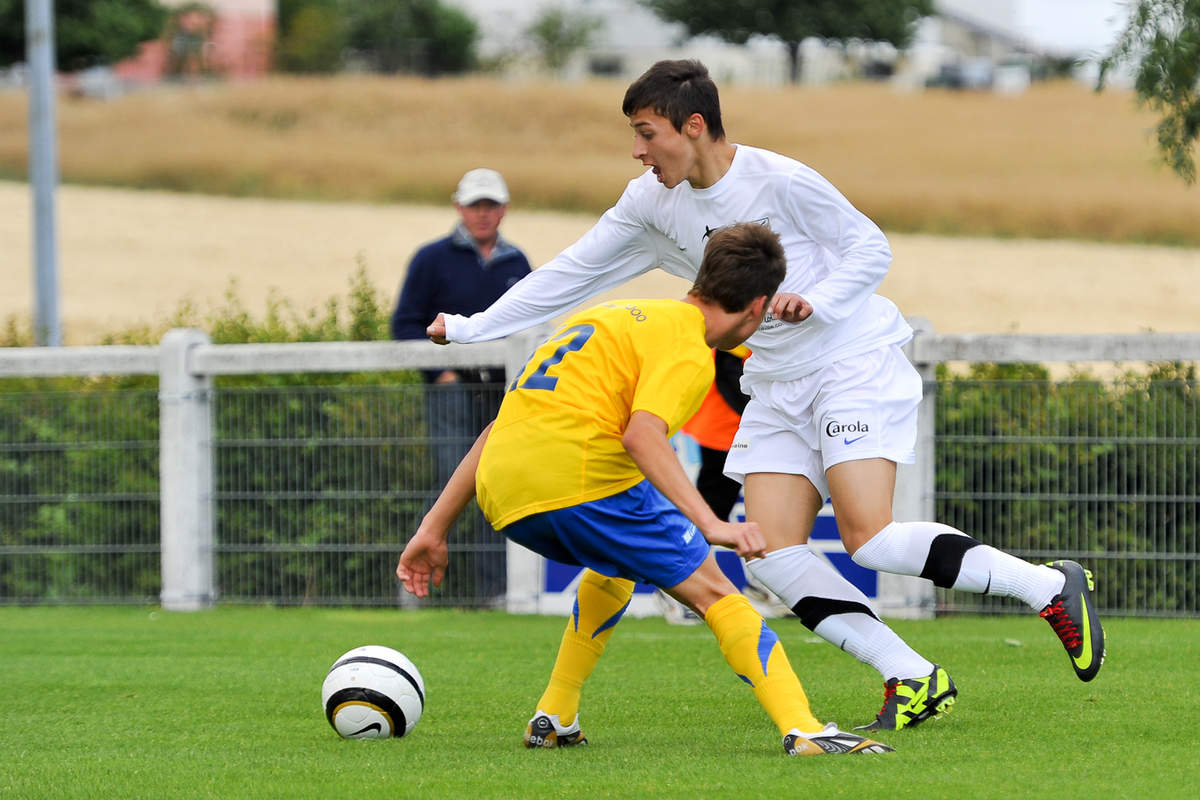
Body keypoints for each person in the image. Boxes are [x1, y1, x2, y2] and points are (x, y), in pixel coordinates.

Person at [426, 60, 1106, 732]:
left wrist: (818, 300)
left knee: (867, 538)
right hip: (776, 382)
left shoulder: (779, 178)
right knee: (773, 553)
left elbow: (869, 248)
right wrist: (472, 328)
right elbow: (573, 271)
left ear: (694, 126)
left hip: (850, 361)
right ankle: (912, 675)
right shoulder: (648, 202)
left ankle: (1046, 587)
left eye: (646, 132)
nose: (637, 151)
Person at [397, 224, 891, 757]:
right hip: (578, 482)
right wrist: (711, 523)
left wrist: (433, 529)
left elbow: (499, 427)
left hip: (504, 492)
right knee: (717, 594)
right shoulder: (690, 350)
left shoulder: (605, 317)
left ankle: (555, 714)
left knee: (616, 563)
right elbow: (643, 436)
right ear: (757, 308)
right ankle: (804, 729)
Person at [391, 168, 531, 603]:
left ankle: (496, 592)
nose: (482, 214)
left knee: (496, 482)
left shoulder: (517, 262)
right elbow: (404, 324)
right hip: (451, 390)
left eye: (490, 205)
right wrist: (441, 373)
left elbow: (530, 324)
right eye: (475, 205)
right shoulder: (431, 259)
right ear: (459, 208)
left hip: (503, 392)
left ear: (504, 210)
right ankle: (413, 584)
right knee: (450, 478)